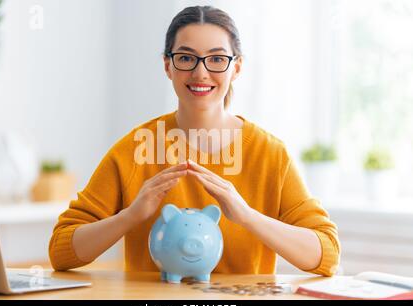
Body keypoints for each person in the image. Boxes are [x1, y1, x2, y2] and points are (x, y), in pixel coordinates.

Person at [49, 6, 340, 276]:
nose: (201, 73)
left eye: (216, 59)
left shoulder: (270, 154)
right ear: (167, 66)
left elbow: (326, 254)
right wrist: (131, 215)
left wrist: (247, 216)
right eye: (186, 58)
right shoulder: (136, 149)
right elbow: (61, 251)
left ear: (235, 68)